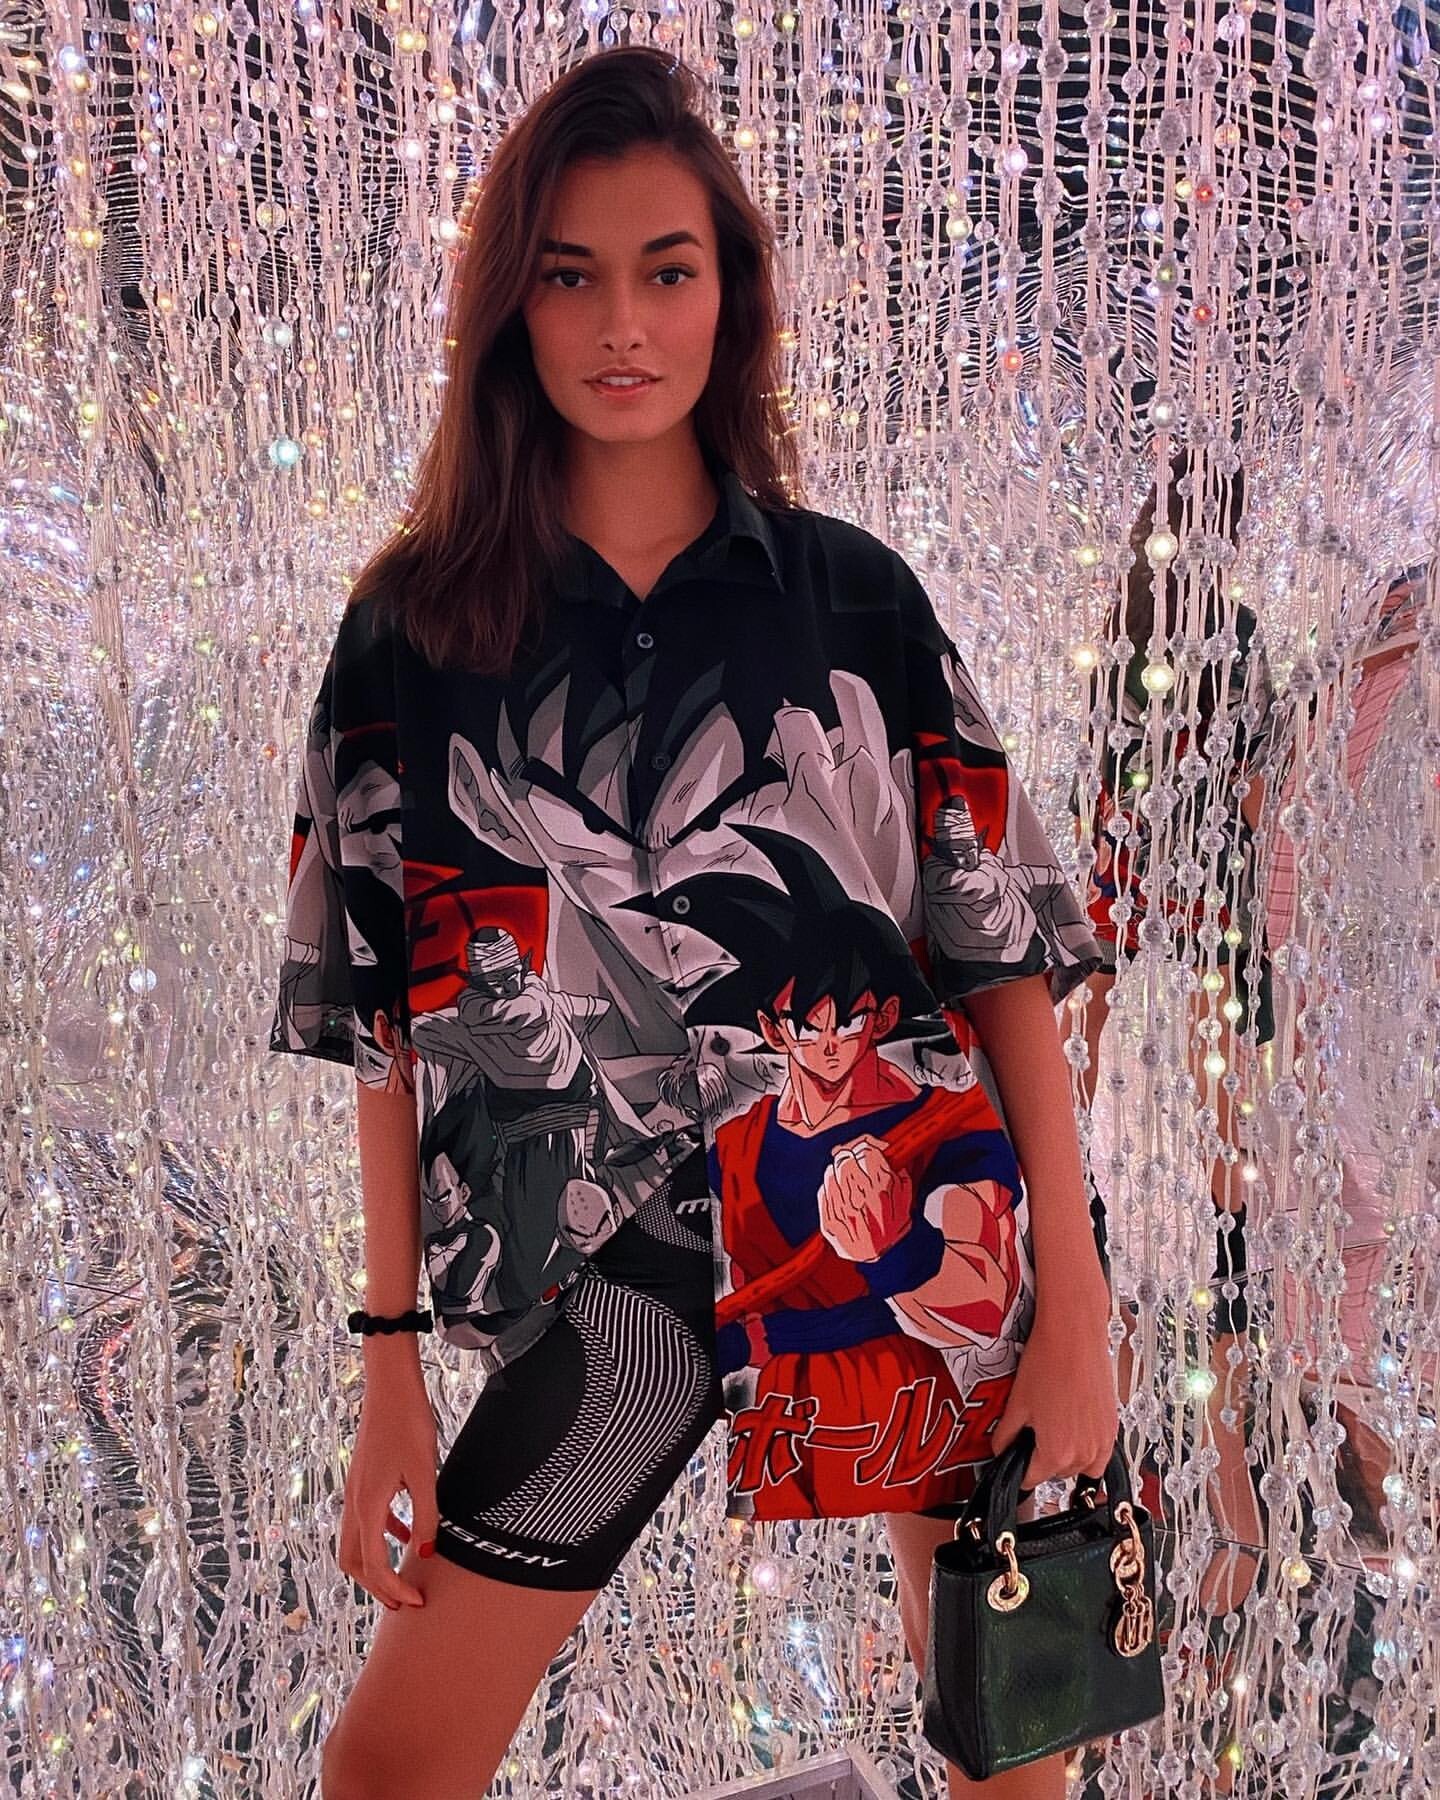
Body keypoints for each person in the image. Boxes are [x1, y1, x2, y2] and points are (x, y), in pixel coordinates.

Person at [271, 45, 1116, 1800]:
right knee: (389, 1771)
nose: (621, 325)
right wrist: (389, 1371)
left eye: (667, 270)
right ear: (510, 308)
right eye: (568, 275)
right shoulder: (411, 637)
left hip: (912, 1229)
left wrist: (1080, 1307)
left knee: (1015, 1751)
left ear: (730, 293)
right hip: (611, 1281)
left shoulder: (856, 601)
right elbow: (387, 1025)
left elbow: (999, 958)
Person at [1061, 447, 1279, 1614]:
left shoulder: (1121, 642)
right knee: (1224, 1212)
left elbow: (1098, 798)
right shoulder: (1232, 636)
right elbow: (1254, 796)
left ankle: (1125, 1494)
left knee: (1109, 1207)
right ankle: (1229, 1511)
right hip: (1207, 935)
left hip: (1132, 924)